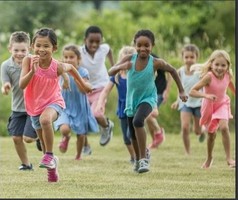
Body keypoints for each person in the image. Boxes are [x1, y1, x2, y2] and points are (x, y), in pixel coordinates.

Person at [108, 29, 188, 173]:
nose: (143, 48)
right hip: (131, 100)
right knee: (132, 134)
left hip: (148, 98)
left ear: (152, 46)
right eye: (139, 45)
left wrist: (181, 90)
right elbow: (110, 72)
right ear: (135, 45)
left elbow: (173, 70)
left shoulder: (155, 62)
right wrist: (122, 66)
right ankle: (139, 160)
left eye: (147, 45)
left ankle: (144, 158)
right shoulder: (129, 59)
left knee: (138, 121)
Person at [19, 27, 92, 182]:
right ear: (32, 46)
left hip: (54, 102)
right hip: (34, 106)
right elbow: (21, 85)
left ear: (54, 48)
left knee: (45, 120)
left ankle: (50, 155)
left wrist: (83, 85)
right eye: (38, 45)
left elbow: (71, 68)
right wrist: (32, 71)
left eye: (46, 46)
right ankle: (52, 167)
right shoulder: (28, 60)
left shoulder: (57, 66)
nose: (41, 49)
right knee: (44, 145)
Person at [0, 31, 40, 171]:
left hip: (34, 107)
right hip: (17, 107)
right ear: (10, 48)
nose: (20, 53)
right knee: (16, 138)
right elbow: (5, 83)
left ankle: (40, 137)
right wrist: (5, 87)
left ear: (29, 48)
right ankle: (26, 164)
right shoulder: (6, 66)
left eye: (23, 50)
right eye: (16, 50)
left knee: (27, 138)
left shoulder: (34, 62)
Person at [189, 49, 235, 169]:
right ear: (211, 64)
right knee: (211, 135)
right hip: (209, 107)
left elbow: (231, 87)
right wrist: (206, 95)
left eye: (223, 65)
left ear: (228, 66)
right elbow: (192, 91)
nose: (220, 68)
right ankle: (209, 157)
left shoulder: (228, 75)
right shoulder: (208, 77)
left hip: (222, 104)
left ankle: (229, 159)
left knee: (224, 128)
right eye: (217, 65)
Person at [54, 44, 99, 160]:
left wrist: (76, 78)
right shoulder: (60, 71)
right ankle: (66, 137)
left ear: (78, 59)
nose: (68, 60)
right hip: (64, 105)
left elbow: (83, 91)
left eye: (71, 57)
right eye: (66, 57)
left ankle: (78, 155)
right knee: (64, 129)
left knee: (81, 134)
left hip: (80, 106)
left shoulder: (82, 72)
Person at [96, 46, 136, 163]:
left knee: (131, 134)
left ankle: (142, 154)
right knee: (126, 137)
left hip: (135, 107)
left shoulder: (136, 74)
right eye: (125, 59)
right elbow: (106, 91)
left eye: (130, 59)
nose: (128, 62)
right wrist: (100, 103)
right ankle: (133, 157)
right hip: (123, 108)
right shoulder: (117, 75)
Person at [79, 25, 115, 147]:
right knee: (82, 118)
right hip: (85, 89)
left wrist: (114, 66)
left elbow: (109, 50)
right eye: (91, 41)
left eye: (97, 42)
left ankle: (106, 126)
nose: (94, 45)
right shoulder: (79, 51)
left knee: (97, 114)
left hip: (101, 87)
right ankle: (85, 146)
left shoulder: (103, 48)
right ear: (85, 40)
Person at [171, 44, 205, 155]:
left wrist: (206, 99)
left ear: (196, 58)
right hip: (185, 102)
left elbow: (205, 86)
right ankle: (187, 151)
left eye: (192, 57)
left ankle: (202, 130)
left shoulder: (200, 72)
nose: (189, 60)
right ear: (182, 58)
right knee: (185, 127)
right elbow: (180, 88)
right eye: (186, 57)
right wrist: (177, 101)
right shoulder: (180, 72)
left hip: (199, 102)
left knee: (197, 130)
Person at [146, 53, 172, 149]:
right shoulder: (136, 59)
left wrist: (167, 91)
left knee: (148, 115)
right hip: (147, 93)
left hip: (159, 92)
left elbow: (170, 71)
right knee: (148, 119)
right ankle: (155, 141)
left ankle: (158, 132)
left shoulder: (155, 59)